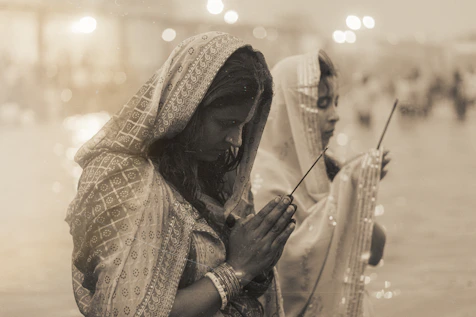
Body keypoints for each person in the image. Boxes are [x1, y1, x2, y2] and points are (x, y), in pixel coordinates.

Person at [66, 32, 296, 317]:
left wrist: (259, 262)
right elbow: (126, 312)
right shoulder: (126, 179)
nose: (236, 140)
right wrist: (238, 270)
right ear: (187, 107)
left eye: (244, 126)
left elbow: (238, 275)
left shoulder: (222, 175)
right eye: (227, 123)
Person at [251, 50, 390, 317]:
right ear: (289, 108)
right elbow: (286, 273)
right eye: (322, 104)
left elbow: (373, 252)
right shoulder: (263, 176)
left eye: (336, 102)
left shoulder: (327, 166)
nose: (335, 115)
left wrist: (357, 192)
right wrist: (347, 191)